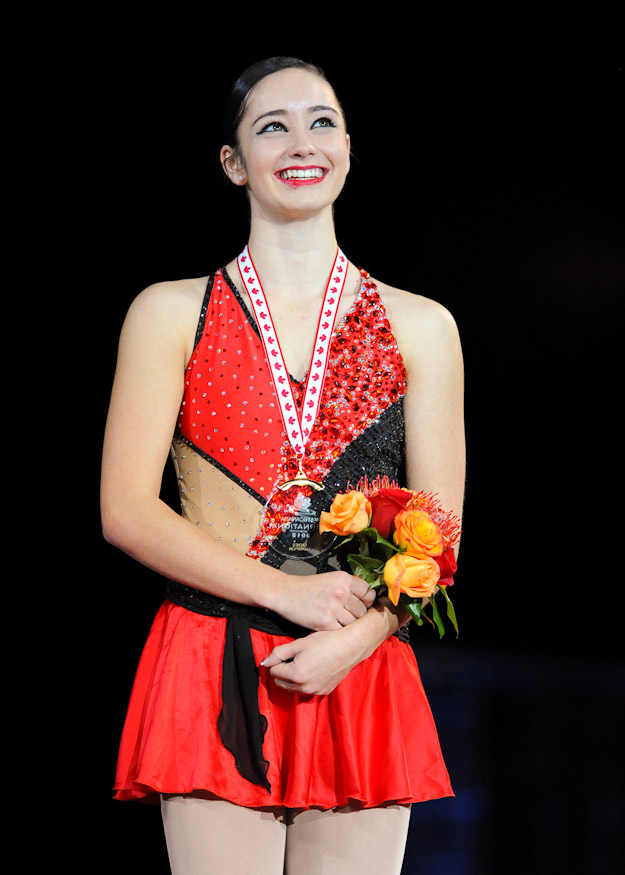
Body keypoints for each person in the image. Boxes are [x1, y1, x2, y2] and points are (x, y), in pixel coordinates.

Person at [101, 56, 465, 875]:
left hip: (358, 667)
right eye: (272, 126)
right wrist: (283, 589)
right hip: (214, 653)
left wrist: (359, 636)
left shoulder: (421, 326)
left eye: (321, 120)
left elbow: (439, 539)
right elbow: (124, 507)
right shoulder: (170, 311)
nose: (301, 142)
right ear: (233, 162)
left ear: (346, 145)